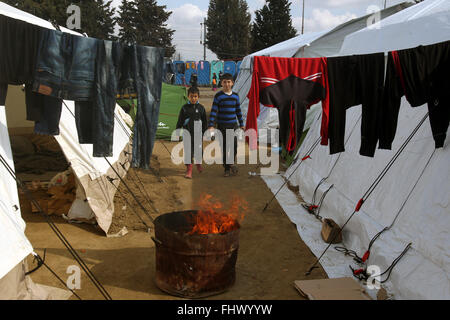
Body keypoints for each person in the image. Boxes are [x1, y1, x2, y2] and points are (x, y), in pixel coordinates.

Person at [208, 73, 245, 177]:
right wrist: (211, 125)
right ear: (221, 83)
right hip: (222, 126)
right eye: (224, 82)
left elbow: (238, 111)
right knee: (224, 147)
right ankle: (227, 169)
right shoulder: (218, 96)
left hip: (233, 125)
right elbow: (214, 111)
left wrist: (241, 124)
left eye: (229, 82)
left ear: (232, 83)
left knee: (234, 146)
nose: (227, 84)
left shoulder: (235, 96)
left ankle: (231, 162)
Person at [176, 86, 207, 179]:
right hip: (187, 134)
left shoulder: (201, 108)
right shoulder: (184, 108)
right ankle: (189, 169)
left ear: (198, 97)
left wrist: (205, 132)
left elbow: (205, 121)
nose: (193, 98)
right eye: (191, 96)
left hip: (198, 134)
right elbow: (180, 121)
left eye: (195, 96)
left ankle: (198, 164)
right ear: (188, 96)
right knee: (188, 152)